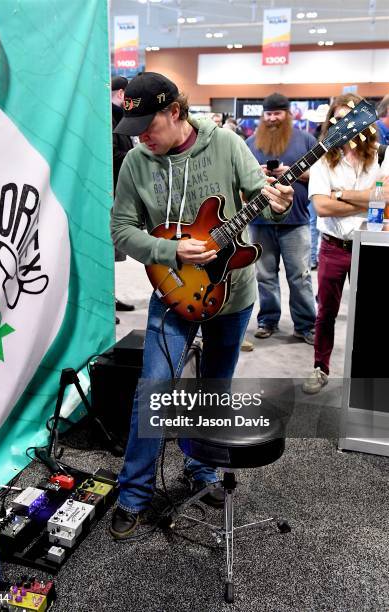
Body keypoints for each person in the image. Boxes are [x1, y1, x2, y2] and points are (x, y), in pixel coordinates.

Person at [110, 72, 294, 539]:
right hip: (172, 294)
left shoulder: (227, 146)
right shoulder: (136, 161)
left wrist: (280, 202)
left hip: (231, 295)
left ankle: (202, 469)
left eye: (148, 125)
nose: (142, 138)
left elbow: (265, 202)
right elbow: (121, 230)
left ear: (176, 111)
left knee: (212, 390)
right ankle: (133, 493)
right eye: (134, 130)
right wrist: (171, 252)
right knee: (154, 390)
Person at [302, 93, 389, 394]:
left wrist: (339, 194)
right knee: (326, 312)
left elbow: (385, 196)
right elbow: (321, 208)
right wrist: (366, 201)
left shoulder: (379, 153)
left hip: (370, 246)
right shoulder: (322, 157)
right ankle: (320, 367)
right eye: (337, 119)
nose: (344, 125)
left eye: (350, 118)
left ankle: (366, 378)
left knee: (371, 311)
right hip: (333, 247)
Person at [245, 93, 317, 344]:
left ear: (288, 114)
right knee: (264, 276)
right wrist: (258, 174)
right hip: (259, 221)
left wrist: (293, 172)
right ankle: (268, 320)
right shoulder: (251, 143)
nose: (273, 118)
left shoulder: (306, 140)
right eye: (268, 113)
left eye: (277, 113)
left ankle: (306, 324)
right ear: (263, 116)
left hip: (296, 220)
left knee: (300, 276)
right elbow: (241, 181)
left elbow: (320, 175)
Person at [111, 75, 135, 318]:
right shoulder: (110, 120)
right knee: (107, 252)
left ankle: (110, 297)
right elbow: (112, 156)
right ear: (121, 94)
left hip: (119, 192)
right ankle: (105, 302)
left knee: (113, 253)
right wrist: (137, 157)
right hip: (109, 193)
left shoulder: (121, 120)